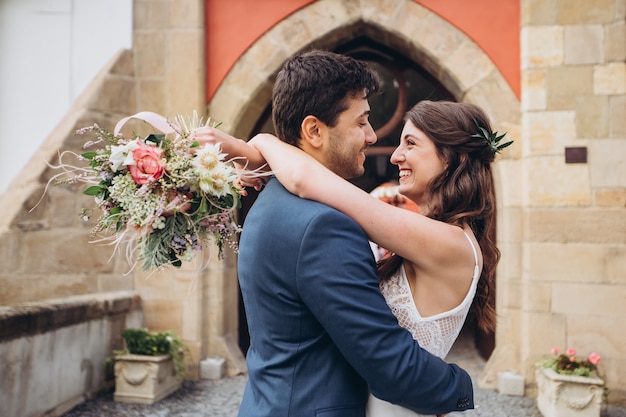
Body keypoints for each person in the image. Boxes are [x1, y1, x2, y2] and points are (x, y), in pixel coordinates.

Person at [194, 51, 474, 417]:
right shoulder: (323, 225)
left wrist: (262, 145)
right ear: (314, 131)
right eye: (361, 123)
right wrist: (463, 391)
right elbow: (389, 366)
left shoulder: (271, 201)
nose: (373, 137)